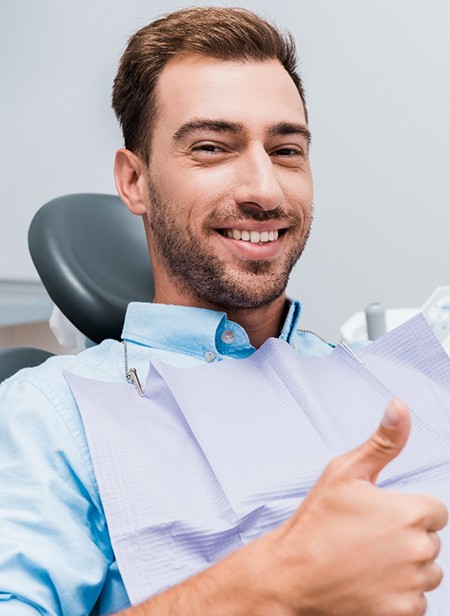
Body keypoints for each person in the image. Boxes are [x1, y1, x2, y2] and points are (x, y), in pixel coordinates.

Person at [0, 6, 447, 615]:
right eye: (212, 148)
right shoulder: (49, 417)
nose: (264, 190)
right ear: (134, 181)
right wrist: (268, 584)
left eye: (287, 149)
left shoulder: (391, 377)